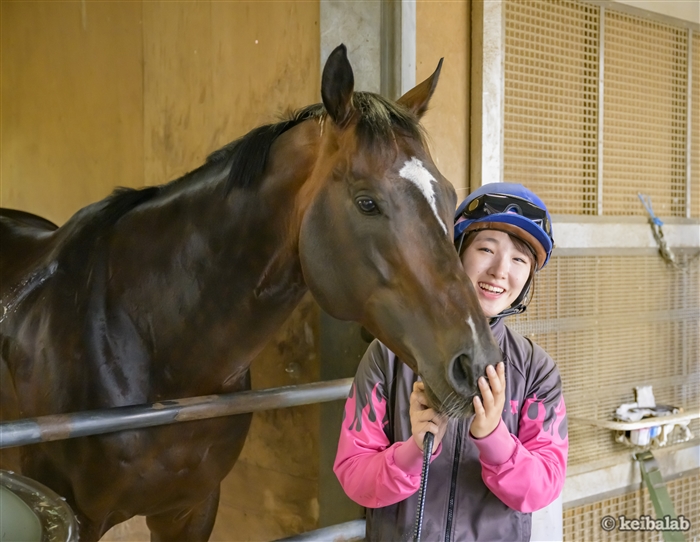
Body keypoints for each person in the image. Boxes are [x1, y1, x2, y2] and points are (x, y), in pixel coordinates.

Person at [333, 182, 568, 541]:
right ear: (456, 255)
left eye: (519, 259)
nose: (500, 270)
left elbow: (542, 488)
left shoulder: (537, 372)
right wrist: (412, 452)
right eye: (486, 249)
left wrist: (494, 439)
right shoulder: (390, 353)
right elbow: (354, 476)